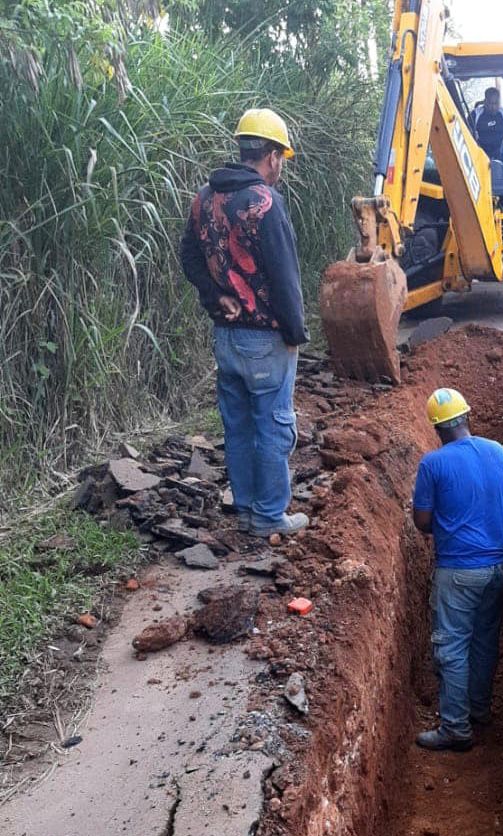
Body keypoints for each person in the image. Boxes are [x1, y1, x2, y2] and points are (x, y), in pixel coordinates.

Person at [180, 108, 309, 538]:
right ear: (271, 155)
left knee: (238, 426)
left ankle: (248, 508)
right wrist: (295, 333)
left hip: (226, 337)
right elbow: (285, 277)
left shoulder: (204, 198)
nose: (281, 167)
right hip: (264, 339)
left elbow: (189, 258)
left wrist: (214, 296)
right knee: (273, 426)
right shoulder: (265, 204)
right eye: (282, 158)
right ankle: (270, 516)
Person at [412, 388, 503, 751]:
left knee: (452, 647)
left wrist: (444, 520)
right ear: (467, 417)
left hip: (458, 572)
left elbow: (423, 521)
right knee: (484, 642)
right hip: (499, 568)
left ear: (437, 428)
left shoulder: (433, 464)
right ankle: (479, 710)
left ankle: (455, 727)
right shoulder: (497, 453)